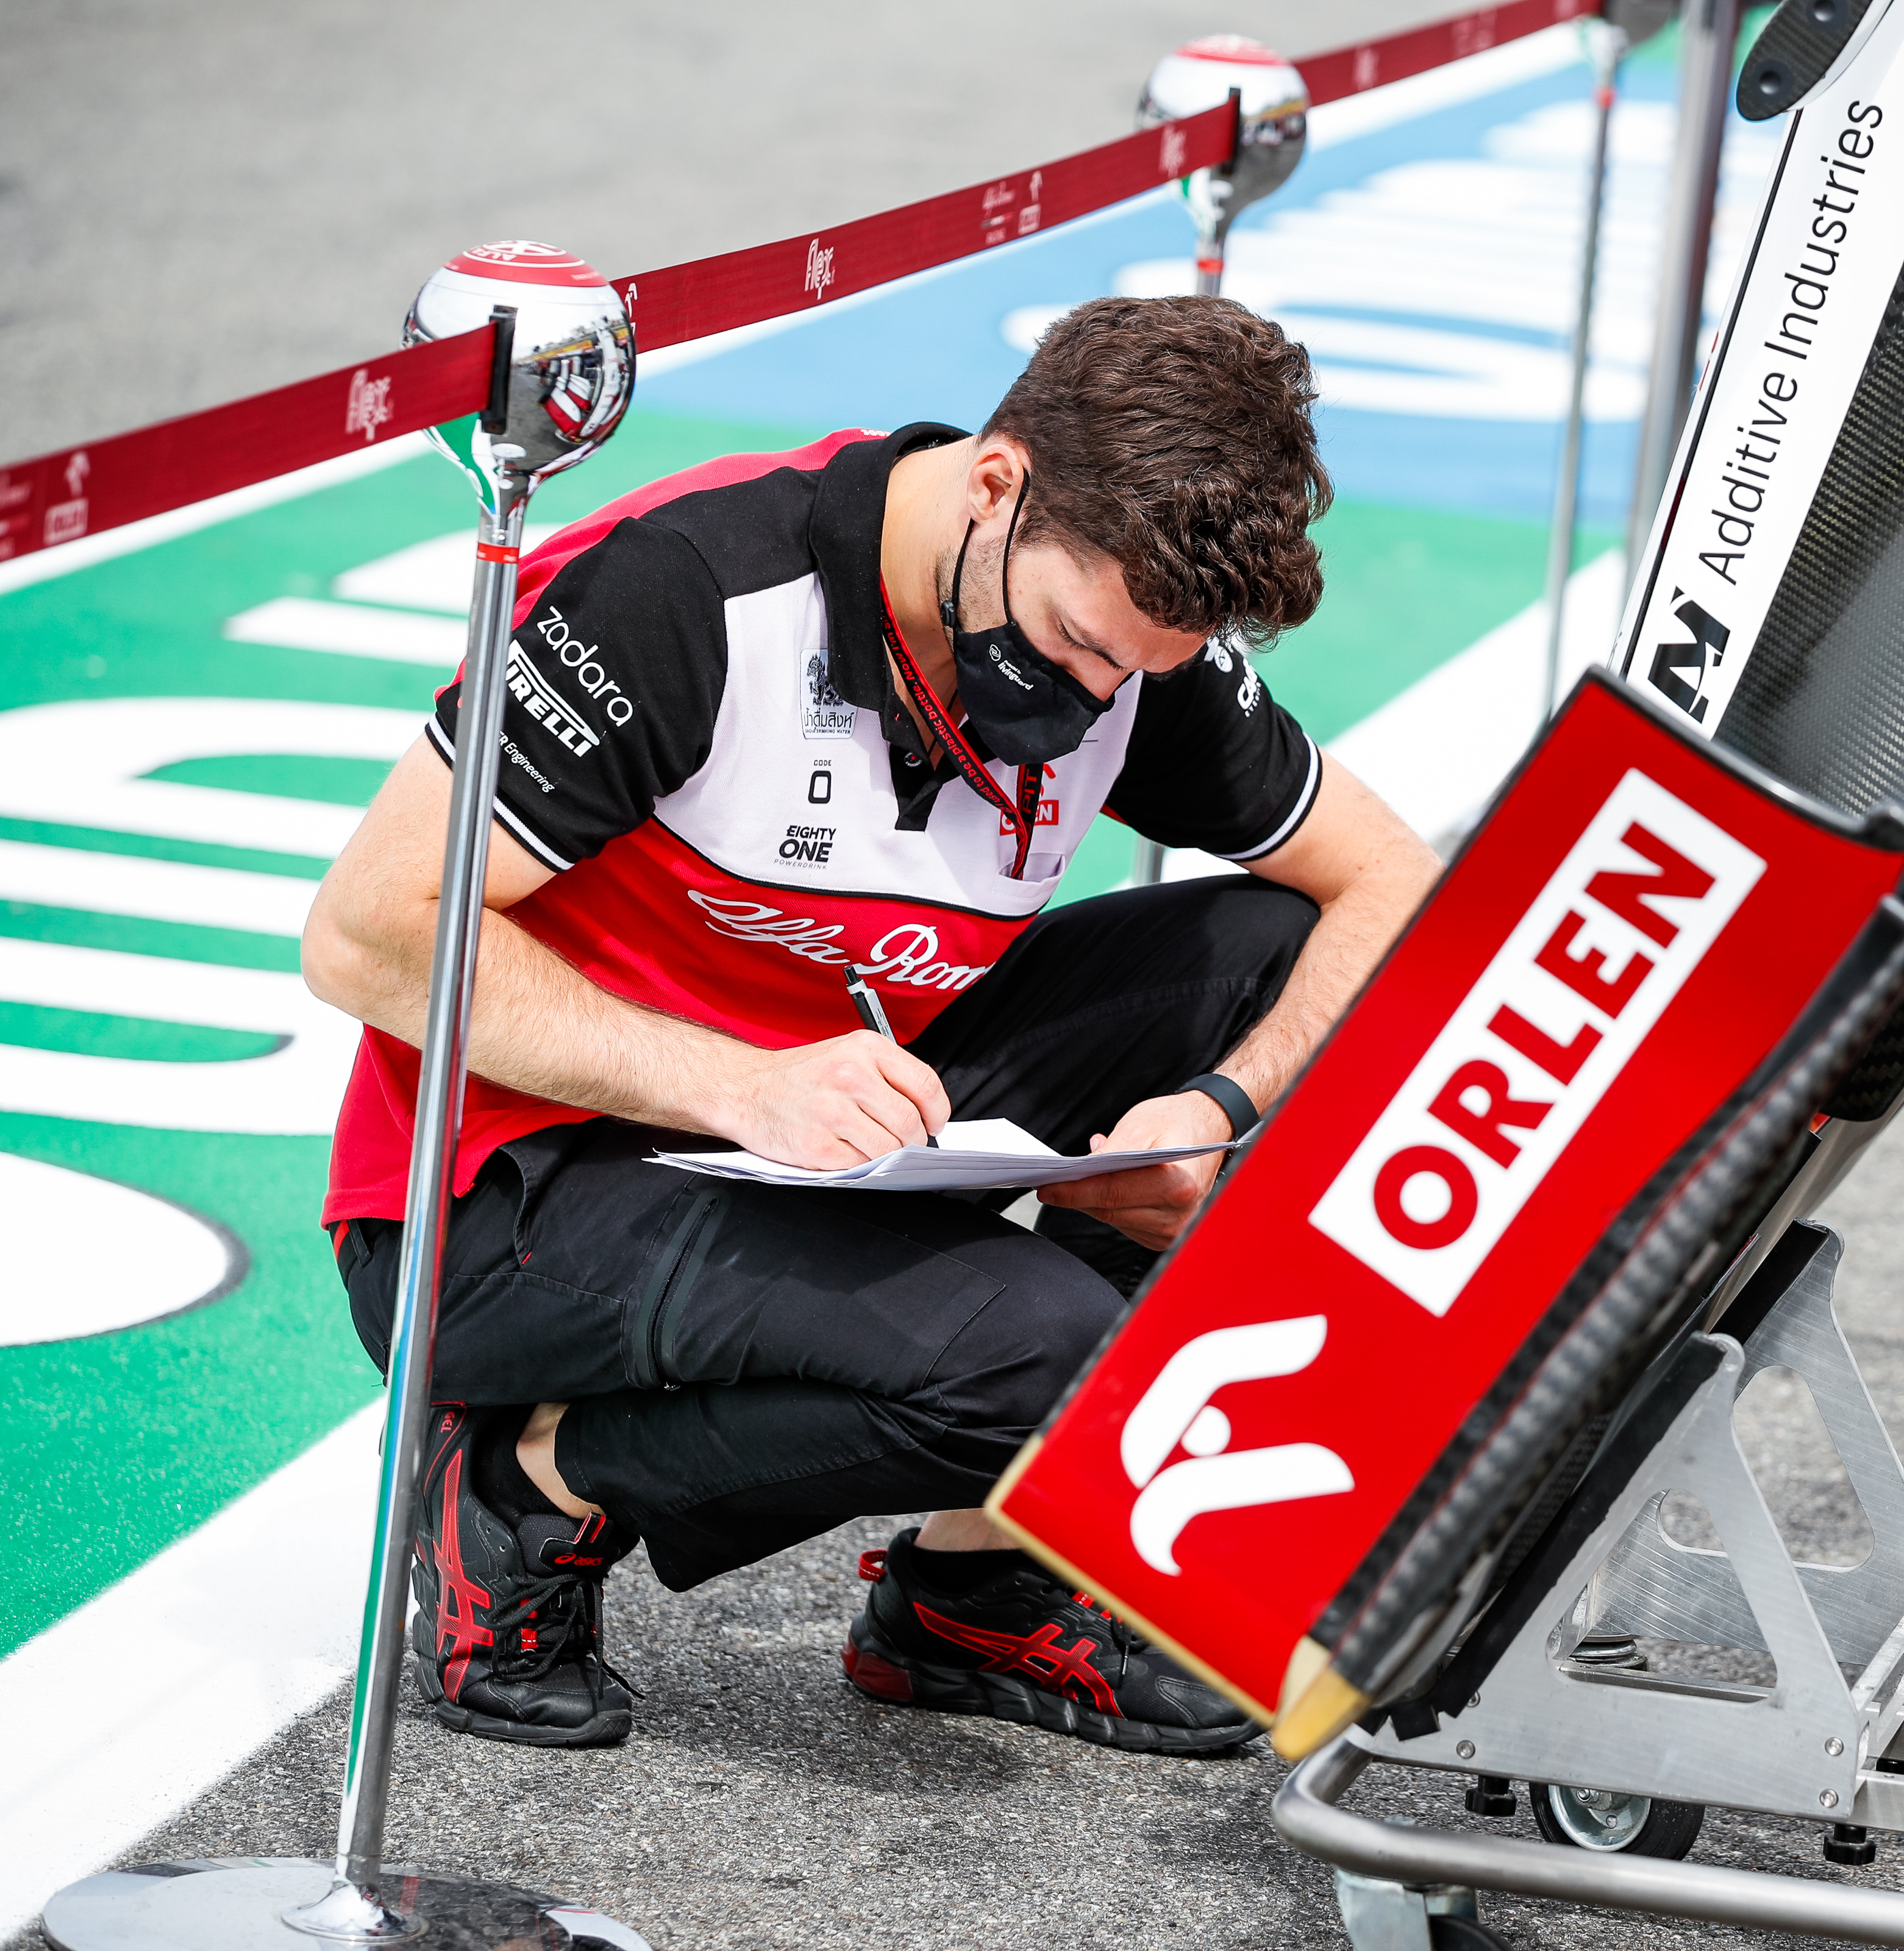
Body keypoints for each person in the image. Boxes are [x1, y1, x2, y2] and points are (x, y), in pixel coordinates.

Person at [303, 296, 1441, 1756]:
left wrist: (1214, 1108)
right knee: (1052, 1359)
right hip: (501, 1194)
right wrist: (737, 1084)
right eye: (1076, 644)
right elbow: (368, 931)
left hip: (840, 1107)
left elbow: (1392, 882)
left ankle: (977, 1587)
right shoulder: (691, 589)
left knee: (1276, 966)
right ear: (995, 483)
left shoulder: (1125, 635)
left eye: (1138, 674)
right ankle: (526, 1487)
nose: (1096, 700)